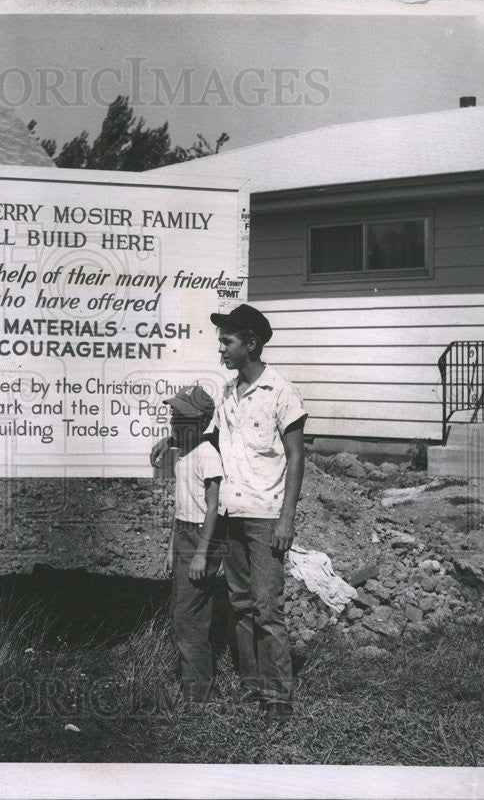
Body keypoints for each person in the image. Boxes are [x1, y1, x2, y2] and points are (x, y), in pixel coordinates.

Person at [152, 303, 306, 723]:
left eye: (228, 340)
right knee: (239, 602)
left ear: (250, 343)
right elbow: (209, 435)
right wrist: (172, 441)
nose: (220, 348)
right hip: (231, 514)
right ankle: (252, 685)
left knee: (266, 605)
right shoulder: (225, 393)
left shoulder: (281, 392)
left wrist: (287, 518)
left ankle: (279, 698)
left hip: (266, 516)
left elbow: (295, 458)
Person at [161, 385, 225, 703]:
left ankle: (198, 695)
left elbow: (214, 508)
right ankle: (193, 686)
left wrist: (201, 554)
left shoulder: (207, 456)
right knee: (181, 610)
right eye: (172, 415)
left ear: (200, 423)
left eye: (181, 417)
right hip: (185, 534)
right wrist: (172, 549)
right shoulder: (185, 452)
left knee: (190, 618)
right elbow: (180, 507)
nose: (173, 422)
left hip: (204, 538)